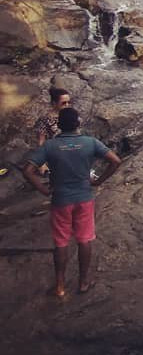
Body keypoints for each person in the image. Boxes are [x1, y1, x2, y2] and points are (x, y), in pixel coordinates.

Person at [22, 107, 121, 298]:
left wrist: (43, 190)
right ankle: (83, 282)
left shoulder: (50, 146)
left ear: (59, 125)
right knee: (84, 239)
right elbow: (115, 161)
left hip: (60, 200)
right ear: (78, 123)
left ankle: (59, 286)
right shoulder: (90, 142)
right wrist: (98, 181)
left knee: (61, 243)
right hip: (84, 198)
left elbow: (27, 171)